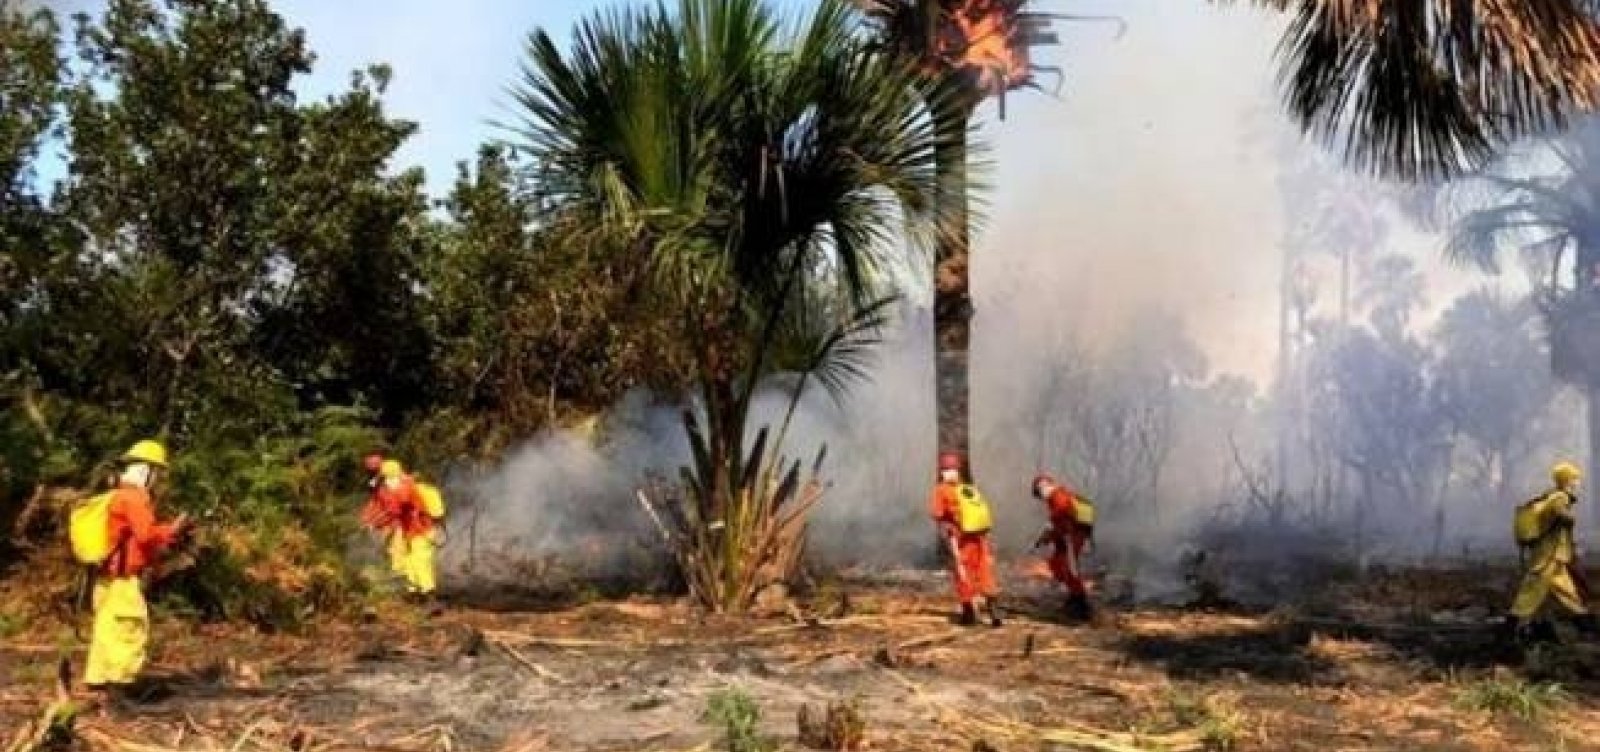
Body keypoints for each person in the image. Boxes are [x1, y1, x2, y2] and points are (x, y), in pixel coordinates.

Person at [84, 440, 190, 699]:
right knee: (130, 630)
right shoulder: (134, 499)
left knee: (106, 630)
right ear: (147, 472)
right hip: (122, 581)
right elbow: (146, 535)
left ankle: (99, 681)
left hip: (104, 579)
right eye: (158, 474)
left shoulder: (115, 496)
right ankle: (121, 689)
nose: (159, 481)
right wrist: (173, 530)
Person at [1508, 461, 1600, 641]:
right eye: (1576, 479)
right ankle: (1511, 624)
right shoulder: (1560, 497)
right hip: (1548, 555)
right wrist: (1569, 517)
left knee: (1566, 590)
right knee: (1532, 590)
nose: (1578, 483)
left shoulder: (1551, 495)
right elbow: (1559, 512)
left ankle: (1585, 622)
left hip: (1555, 555)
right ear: (1568, 480)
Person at [928, 452, 1001, 627]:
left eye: (947, 469)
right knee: (984, 572)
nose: (948, 472)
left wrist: (947, 535)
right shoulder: (968, 488)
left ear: (942, 471)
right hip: (979, 538)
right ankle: (993, 611)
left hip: (960, 539)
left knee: (963, 574)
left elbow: (938, 515)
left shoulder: (941, 490)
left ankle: (969, 615)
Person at [365, 459, 441, 610]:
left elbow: (394, 509)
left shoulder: (405, 487)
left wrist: (375, 523)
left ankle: (430, 597)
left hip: (422, 530)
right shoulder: (399, 484)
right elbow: (377, 506)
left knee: (420, 561)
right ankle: (415, 594)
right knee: (409, 562)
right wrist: (370, 520)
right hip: (411, 531)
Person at [1032, 473, 1092, 621]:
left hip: (1072, 537)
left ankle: (1080, 604)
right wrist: (1047, 537)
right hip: (1066, 537)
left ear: (1044, 486)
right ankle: (1074, 596)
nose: (1041, 497)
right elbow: (1055, 524)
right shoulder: (1055, 498)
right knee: (1057, 565)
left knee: (1070, 569)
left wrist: (1049, 536)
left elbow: (1061, 522)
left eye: (1039, 493)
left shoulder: (1059, 497)